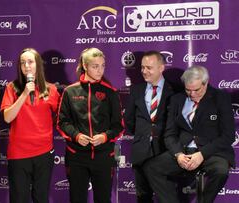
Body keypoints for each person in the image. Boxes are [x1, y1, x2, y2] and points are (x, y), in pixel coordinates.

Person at [145, 65, 235, 203]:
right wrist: (178, 154)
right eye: (188, 89)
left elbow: (228, 135)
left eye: (196, 90)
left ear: (205, 84)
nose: (192, 94)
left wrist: (202, 154)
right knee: (151, 168)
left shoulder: (220, 98)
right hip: (184, 151)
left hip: (211, 152)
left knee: (221, 171)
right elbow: (170, 134)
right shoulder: (177, 100)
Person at [57, 47, 124, 203]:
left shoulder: (111, 92)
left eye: (102, 65)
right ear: (85, 66)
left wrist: (105, 136)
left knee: (103, 199)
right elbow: (62, 122)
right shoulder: (69, 91)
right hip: (76, 156)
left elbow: (119, 126)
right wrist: (76, 135)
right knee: (77, 199)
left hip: (104, 156)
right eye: (95, 66)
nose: (100, 70)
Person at [0, 48, 60, 203]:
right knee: (19, 198)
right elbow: (7, 117)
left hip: (44, 153)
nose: (26, 66)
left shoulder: (51, 89)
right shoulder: (12, 88)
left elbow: (60, 118)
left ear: (38, 64)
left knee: (41, 198)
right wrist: (25, 94)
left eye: (30, 62)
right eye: (22, 63)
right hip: (19, 154)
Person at [124, 50, 175, 202]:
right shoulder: (135, 90)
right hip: (141, 152)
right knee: (143, 196)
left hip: (166, 151)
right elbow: (129, 120)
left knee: (167, 195)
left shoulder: (175, 90)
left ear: (161, 68)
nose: (144, 71)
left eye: (149, 68)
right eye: (142, 67)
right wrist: (143, 136)